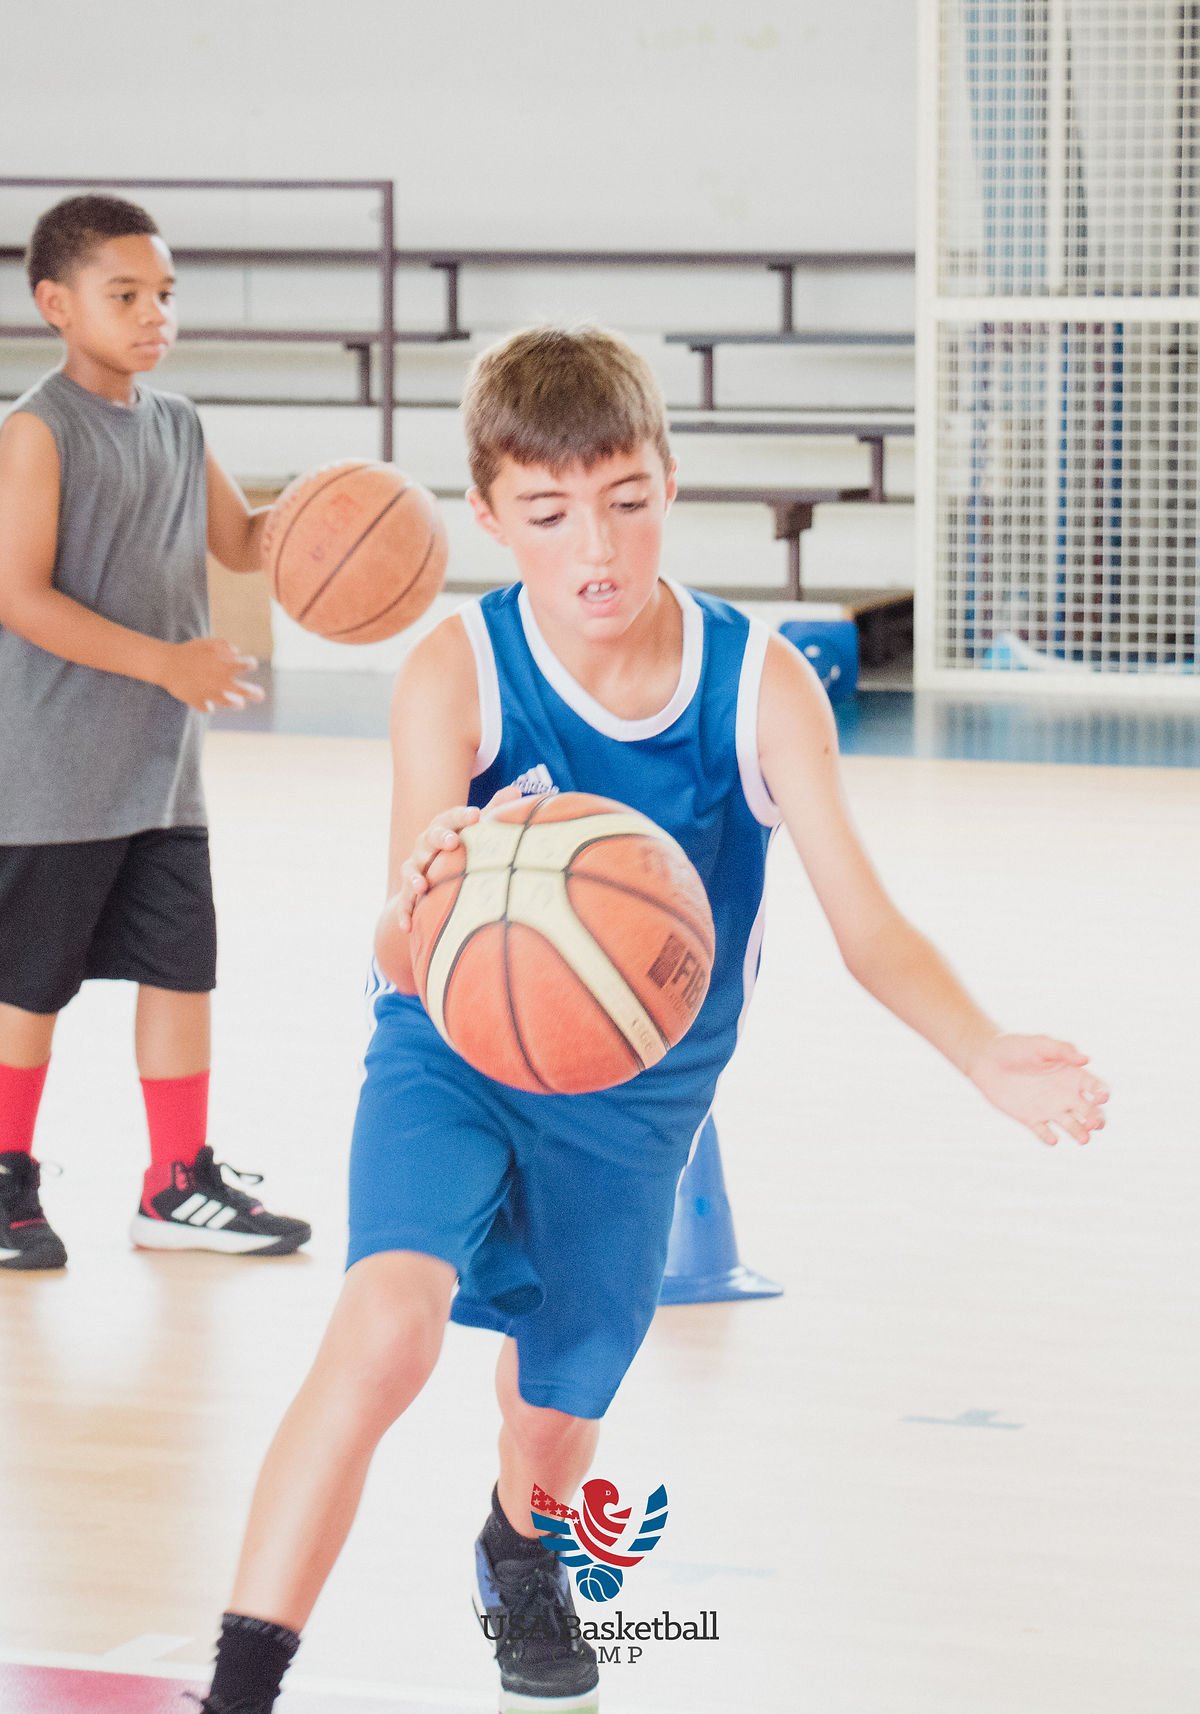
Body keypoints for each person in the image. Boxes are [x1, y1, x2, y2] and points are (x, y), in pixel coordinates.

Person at [198, 325, 1108, 1714]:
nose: (597, 550)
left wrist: (981, 1046)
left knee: (553, 1412)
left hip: (632, 1101)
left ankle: (519, 1547)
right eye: (551, 516)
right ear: (493, 516)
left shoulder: (757, 682)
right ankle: (238, 1687)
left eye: (625, 499)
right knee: (383, 1327)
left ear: (669, 479)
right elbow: (391, 937)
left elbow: (867, 926)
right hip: (449, 1052)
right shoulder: (460, 669)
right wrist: (435, 884)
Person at [0, 195, 310, 1270]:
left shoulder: (181, 425)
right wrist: (168, 662)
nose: (152, 315)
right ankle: (5, 1177)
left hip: (161, 773)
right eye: (124, 294)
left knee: (182, 970)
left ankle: (175, 1183)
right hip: (52, 770)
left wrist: (339, 517)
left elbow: (245, 543)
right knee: (27, 985)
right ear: (55, 303)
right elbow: (20, 597)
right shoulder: (36, 431)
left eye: (164, 295)